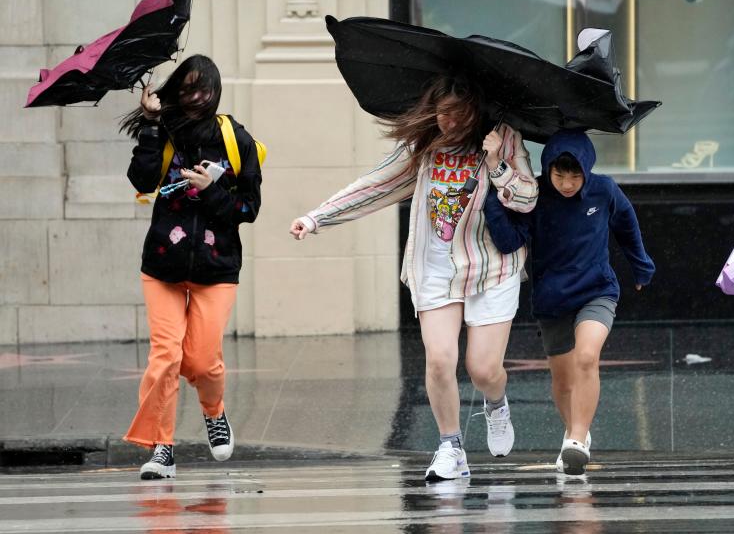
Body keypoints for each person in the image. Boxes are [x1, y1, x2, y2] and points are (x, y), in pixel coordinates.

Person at [288, 76, 538, 482]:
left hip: (490, 267)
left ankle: (495, 403)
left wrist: (496, 164)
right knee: (440, 361)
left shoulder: (502, 138)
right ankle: (450, 447)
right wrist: (317, 217)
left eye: (459, 113)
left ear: (476, 110)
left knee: (483, 369)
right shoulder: (424, 146)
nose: (449, 121)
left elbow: (527, 198)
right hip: (434, 267)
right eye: (443, 112)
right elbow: (374, 184)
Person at [121, 54, 263, 479]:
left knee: (200, 362)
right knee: (164, 357)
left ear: (216, 92)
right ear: (177, 92)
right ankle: (161, 448)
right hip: (162, 263)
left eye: (204, 89)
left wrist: (211, 190)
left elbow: (249, 208)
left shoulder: (236, 140)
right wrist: (148, 124)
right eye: (187, 90)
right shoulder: (163, 131)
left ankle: (214, 411)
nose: (196, 97)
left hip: (216, 267)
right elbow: (142, 181)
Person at [484, 129, 655, 476]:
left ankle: (576, 440)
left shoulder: (603, 190)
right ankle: (576, 431)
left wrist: (641, 266)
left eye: (575, 175)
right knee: (563, 381)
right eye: (559, 174)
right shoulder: (534, 196)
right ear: (547, 169)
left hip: (597, 290)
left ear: (587, 170)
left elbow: (626, 225)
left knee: (587, 356)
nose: (566, 183)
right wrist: (493, 200)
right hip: (552, 299)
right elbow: (508, 241)